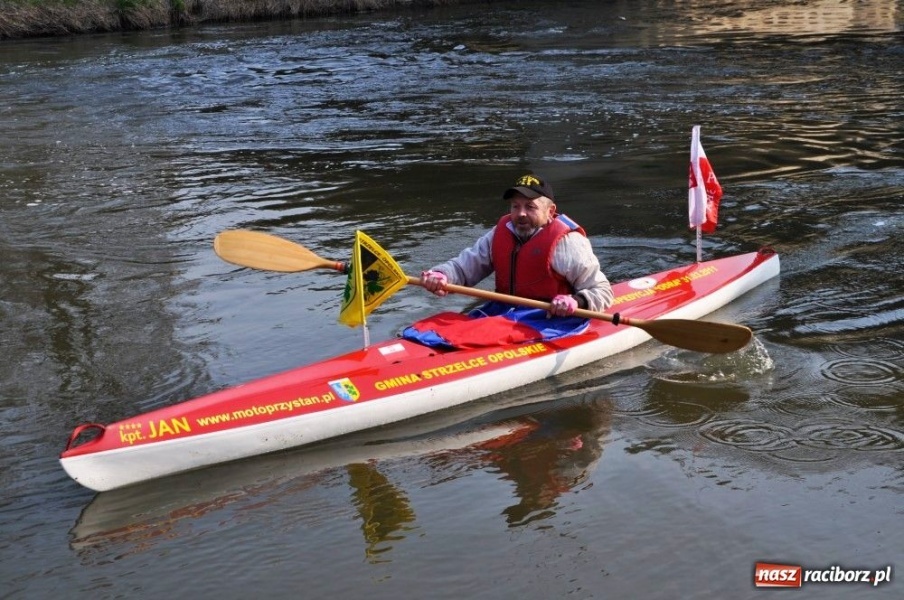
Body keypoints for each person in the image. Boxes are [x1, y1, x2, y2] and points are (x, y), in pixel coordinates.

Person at [420, 174, 613, 317]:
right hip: (504, 311)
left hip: (550, 317)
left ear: (550, 211)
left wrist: (577, 301)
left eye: (530, 207)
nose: (521, 213)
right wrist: (442, 275)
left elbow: (602, 291)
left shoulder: (568, 243)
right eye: (515, 206)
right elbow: (463, 268)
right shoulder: (499, 233)